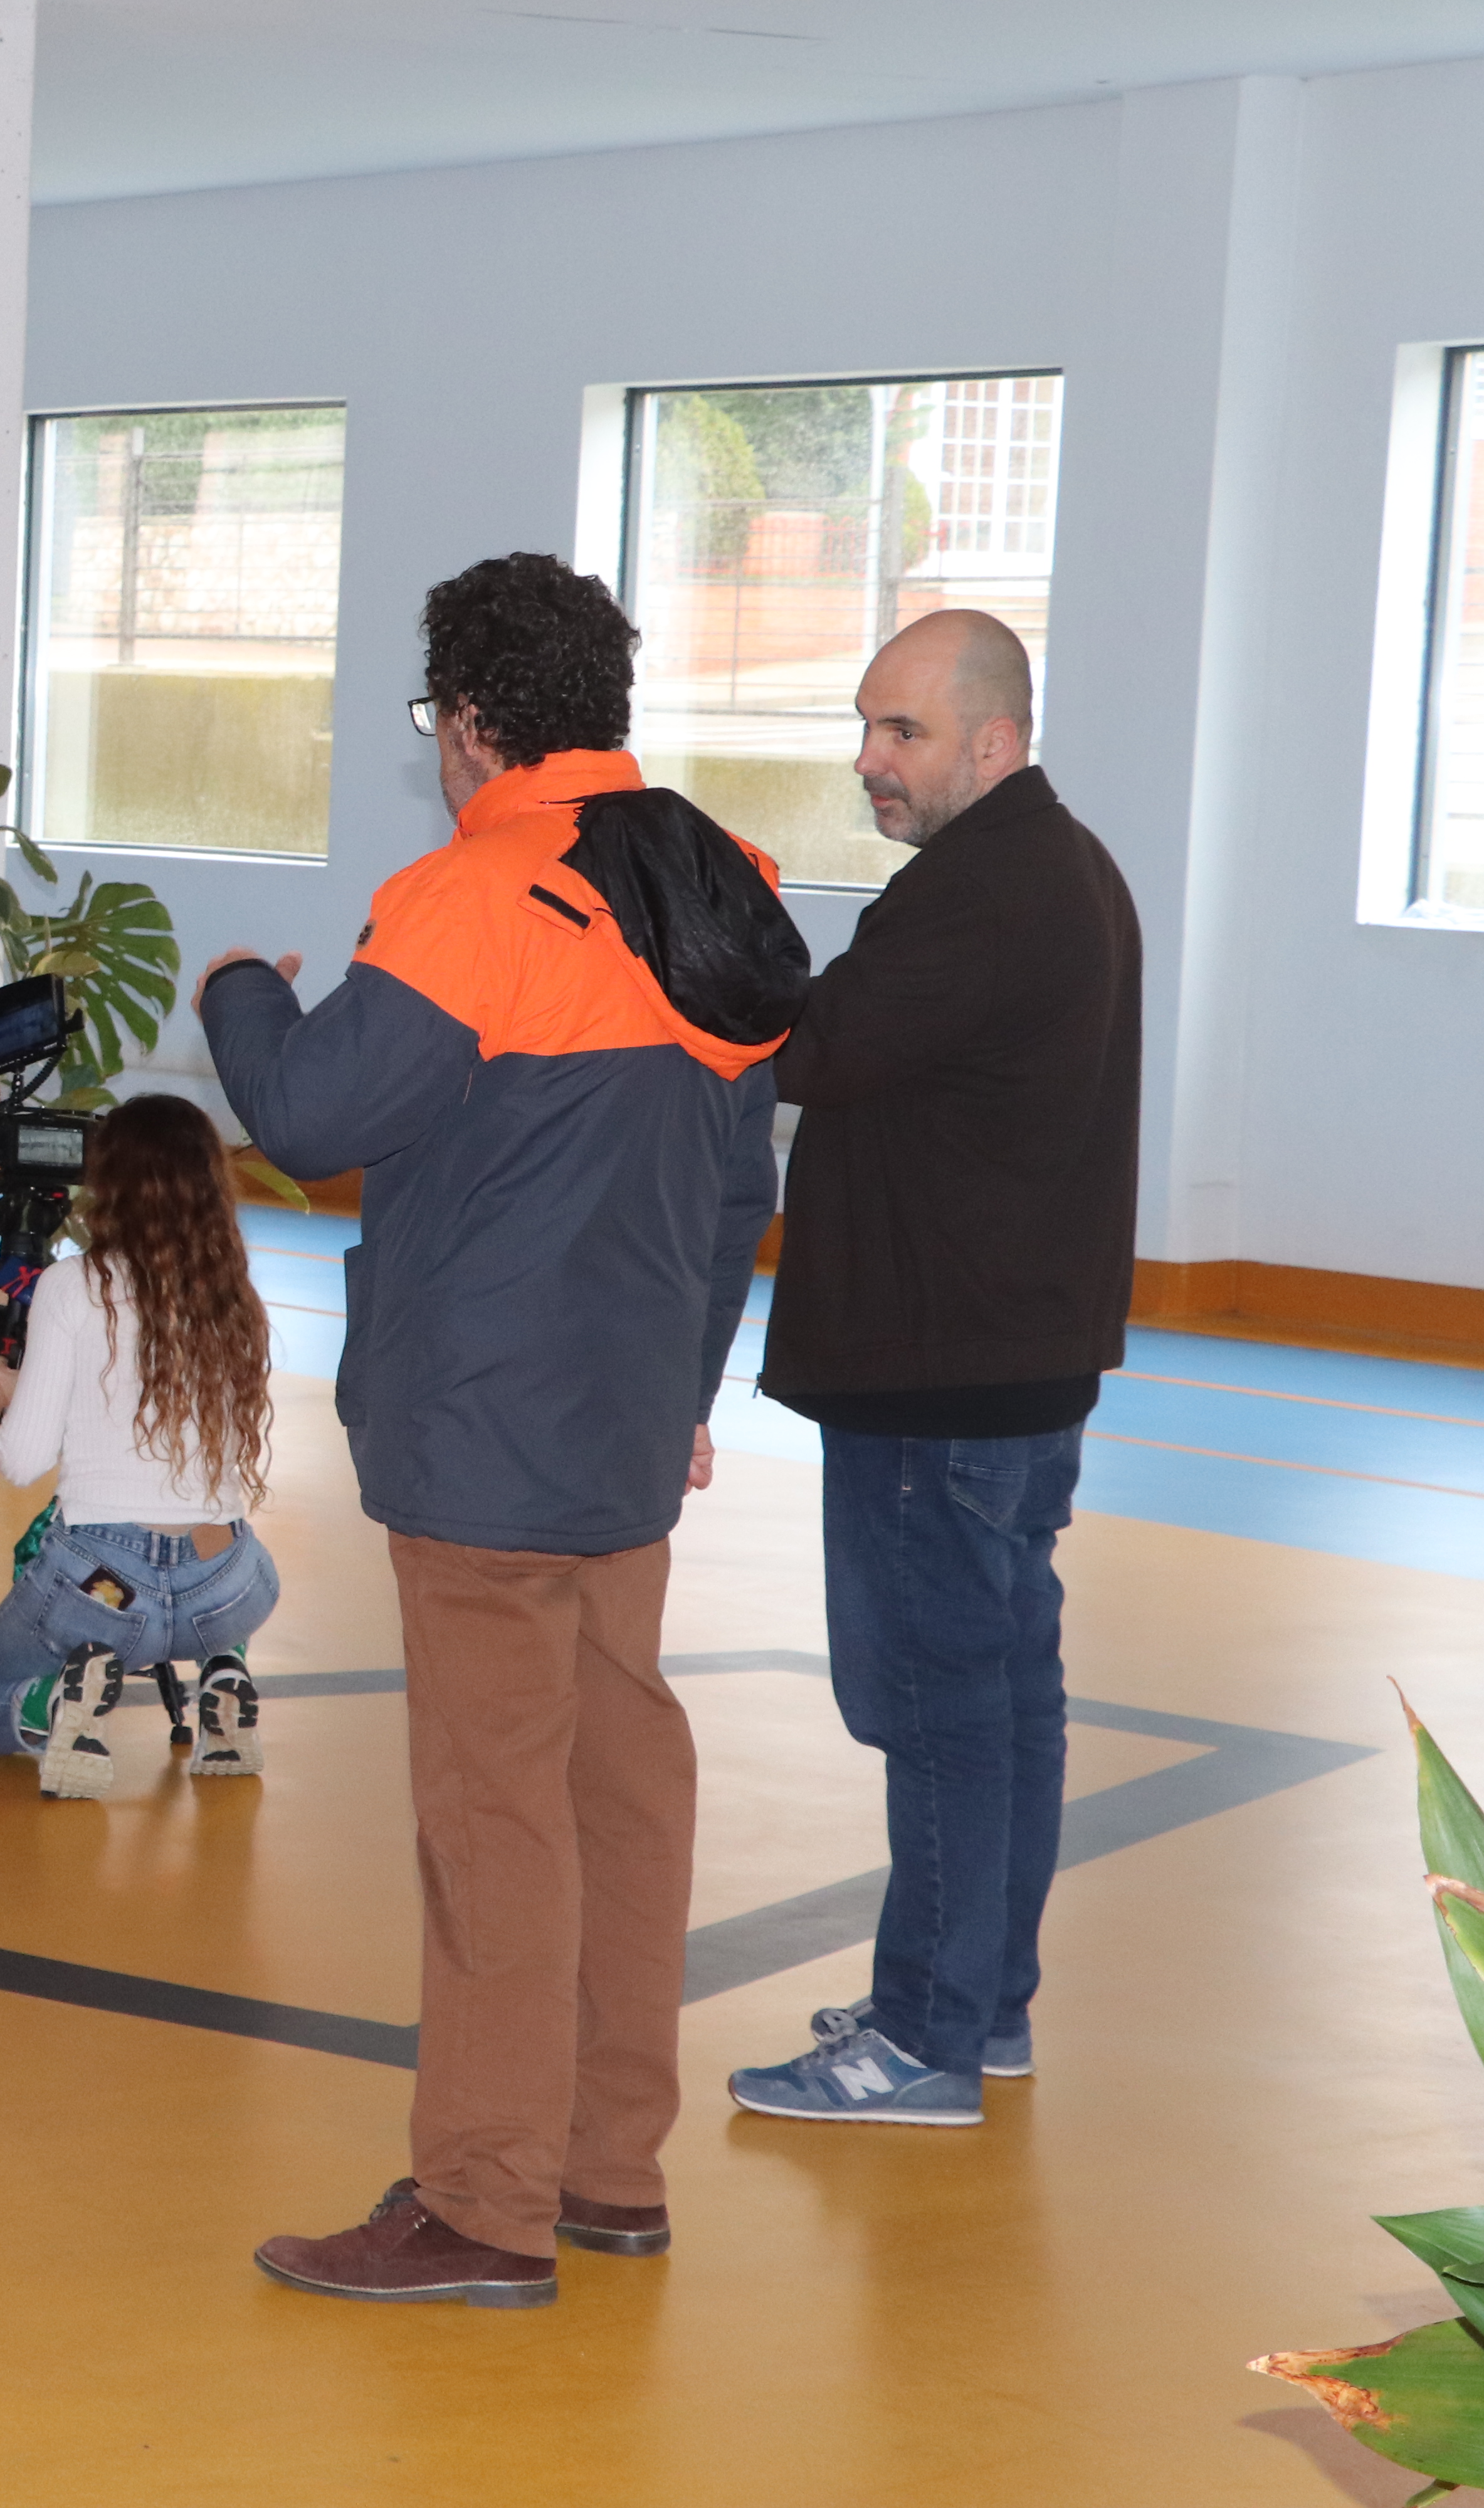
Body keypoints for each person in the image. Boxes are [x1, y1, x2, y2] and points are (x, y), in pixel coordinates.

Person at [199, 552, 798, 2308]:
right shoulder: (726, 882)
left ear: (467, 723)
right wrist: (690, 1390)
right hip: (623, 1426)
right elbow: (736, 1188)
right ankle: (614, 2172)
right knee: (622, 1789)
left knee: (493, 1819)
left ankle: (479, 2202)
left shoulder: (476, 896)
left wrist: (241, 986)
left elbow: (312, 1114)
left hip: (482, 1437)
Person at [727, 611, 1140, 2129]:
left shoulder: (980, 899)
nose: (869, 760)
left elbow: (807, 1046)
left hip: (937, 1378)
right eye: (863, 726)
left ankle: (922, 2036)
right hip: (1011, 1363)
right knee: (1006, 1693)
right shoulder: (1058, 869)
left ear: (994, 739)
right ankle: (984, 2002)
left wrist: (707, 926)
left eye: (901, 733)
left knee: (941, 1702)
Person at [0, 1093, 282, 1802]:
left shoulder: (74, 1285)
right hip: (226, 1585)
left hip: (105, 1590)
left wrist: (12, 1396)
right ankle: (224, 1669)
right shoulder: (232, 1291)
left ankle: (63, 1701)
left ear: (109, 1183)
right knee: (235, 1559)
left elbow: (23, 1461)